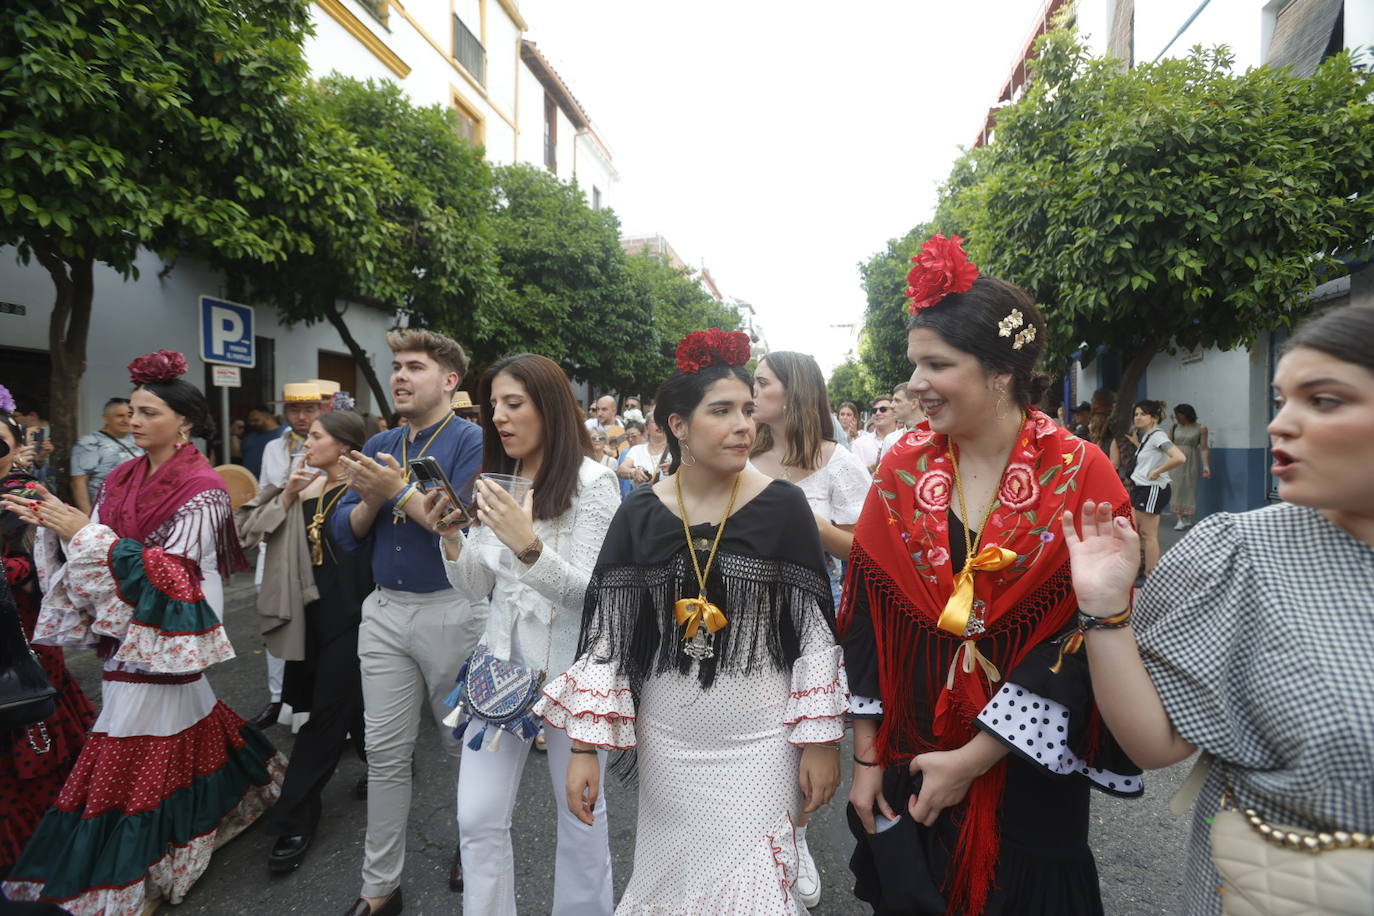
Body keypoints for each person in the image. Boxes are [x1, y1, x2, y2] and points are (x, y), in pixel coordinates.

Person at [842, 235, 1139, 916]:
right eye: (915, 362)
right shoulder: (902, 467)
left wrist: (974, 759)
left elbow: (1083, 638)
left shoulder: (1079, 471)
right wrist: (865, 758)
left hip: (1024, 765)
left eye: (936, 364)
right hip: (911, 749)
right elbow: (866, 617)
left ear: (1002, 373)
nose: (915, 383)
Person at [1062, 303, 1374, 916]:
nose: (1281, 424)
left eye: (1325, 400)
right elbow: (1157, 743)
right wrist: (1103, 610)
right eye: (1281, 400)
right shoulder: (1237, 552)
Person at [536, 328, 847, 915]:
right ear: (677, 426)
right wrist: (583, 747)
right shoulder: (640, 513)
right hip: (669, 742)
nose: (742, 426)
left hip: (761, 738)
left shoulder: (783, 507)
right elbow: (609, 638)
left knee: (752, 891)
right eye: (721, 411)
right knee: (677, 889)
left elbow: (813, 629)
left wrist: (821, 738)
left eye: (748, 411)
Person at [1, 350, 283, 914]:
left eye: (148, 412)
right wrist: (60, 527)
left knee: (126, 733)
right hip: (122, 612)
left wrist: (83, 532)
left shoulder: (203, 486)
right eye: (132, 410)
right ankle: (251, 783)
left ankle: (126, 873)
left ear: (184, 421)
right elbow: (98, 538)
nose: (134, 420)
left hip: (171, 620)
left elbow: (176, 572)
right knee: (184, 713)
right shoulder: (124, 473)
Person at [426, 353, 619, 915]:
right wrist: (452, 538)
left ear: (551, 409)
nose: (500, 419)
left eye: (514, 404)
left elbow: (597, 594)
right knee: (477, 817)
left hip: (572, 677)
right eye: (494, 408)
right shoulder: (496, 480)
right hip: (499, 671)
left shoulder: (594, 483)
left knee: (580, 818)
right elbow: (475, 585)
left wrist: (527, 544)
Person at [332, 329, 486, 916]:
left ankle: (471, 847)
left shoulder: (473, 440)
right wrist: (374, 496)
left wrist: (392, 491)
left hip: (452, 607)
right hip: (385, 610)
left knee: (460, 746)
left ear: (449, 381)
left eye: (414, 367)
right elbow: (347, 532)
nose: (399, 376)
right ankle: (379, 889)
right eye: (395, 366)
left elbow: (460, 524)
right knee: (386, 752)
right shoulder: (381, 441)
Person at [750, 349, 871, 908]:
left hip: (813, 626)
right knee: (757, 736)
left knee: (803, 736)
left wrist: (814, 525)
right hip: (742, 620)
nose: (752, 392)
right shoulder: (744, 454)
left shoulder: (838, 463)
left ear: (793, 392)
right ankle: (758, 839)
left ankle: (795, 836)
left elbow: (870, 549)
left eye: (761, 382)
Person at [236, 410, 373, 873]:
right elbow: (249, 530)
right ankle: (385, 762)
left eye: (315, 437)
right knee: (343, 701)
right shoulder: (302, 487)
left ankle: (295, 815)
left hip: (356, 615)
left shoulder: (366, 491)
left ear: (343, 445)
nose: (305, 444)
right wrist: (288, 493)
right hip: (308, 614)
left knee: (324, 714)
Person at [0, 402, 97, 875]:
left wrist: (7, 569)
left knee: (29, 725)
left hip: (21, 645)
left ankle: (49, 854)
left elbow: (57, 566)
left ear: (18, 449)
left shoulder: (29, 497)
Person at [249, 382, 326, 730]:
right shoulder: (272, 448)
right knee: (274, 620)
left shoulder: (333, 445)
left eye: (309, 409)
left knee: (316, 625)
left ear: (322, 409)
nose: (301, 417)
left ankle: (311, 702)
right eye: (295, 410)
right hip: (279, 540)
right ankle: (277, 698)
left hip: (318, 543)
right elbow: (267, 494)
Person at [1128, 400, 1186, 575]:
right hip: (1141, 488)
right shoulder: (1148, 437)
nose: (1137, 417)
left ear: (1153, 418)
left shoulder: (1158, 436)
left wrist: (1158, 471)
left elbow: (1180, 457)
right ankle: (1141, 568)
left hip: (1151, 488)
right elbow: (1151, 456)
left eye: (1142, 414)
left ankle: (1150, 574)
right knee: (1135, 531)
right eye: (1136, 414)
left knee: (1147, 534)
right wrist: (1136, 444)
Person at [69, 397, 143, 515]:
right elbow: (78, 482)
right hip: (104, 511)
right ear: (105, 418)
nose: (126, 420)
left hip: (135, 509)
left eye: (129, 416)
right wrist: (89, 517)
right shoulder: (89, 442)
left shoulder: (139, 439)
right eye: (119, 416)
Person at [1168, 404, 1210, 530]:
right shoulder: (1174, 427)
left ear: (1187, 414)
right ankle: (1179, 519)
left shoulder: (1201, 428)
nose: (1177, 418)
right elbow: (1168, 445)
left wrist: (1206, 466)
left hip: (1192, 460)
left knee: (1189, 487)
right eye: (1176, 416)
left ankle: (1186, 517)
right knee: (1176, 487)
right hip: (1175, 460)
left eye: (1179, 415)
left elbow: (1203, 448)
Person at [617, 413, 669, 497]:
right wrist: (634, 472)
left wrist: (675, 468)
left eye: (663, 421)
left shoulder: (678, 451)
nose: (660, 424)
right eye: (655, 421)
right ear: (646, 428)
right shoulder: (637, 450)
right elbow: (621, 470)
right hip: (644, 500)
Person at [853, 395, 896, 471]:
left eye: (883, 409)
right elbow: (854, 474)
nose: (878, 413)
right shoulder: (859, 444)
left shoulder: (905, 439)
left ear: (894, 413)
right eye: (874, 411)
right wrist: (873, 467)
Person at [883, 382, 925, 456]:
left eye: (897, 400)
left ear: (914, 403)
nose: (891, 406)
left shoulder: (938, 434)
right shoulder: (891, 440)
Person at [241, 406, 282, 480]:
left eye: (256, 420)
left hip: (274, 484)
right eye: (250, 421)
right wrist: (233, 435)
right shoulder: (249, 438)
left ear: (268, 417)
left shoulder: (284, 434)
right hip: (250, 483)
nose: (252, 423)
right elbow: (237, 456)